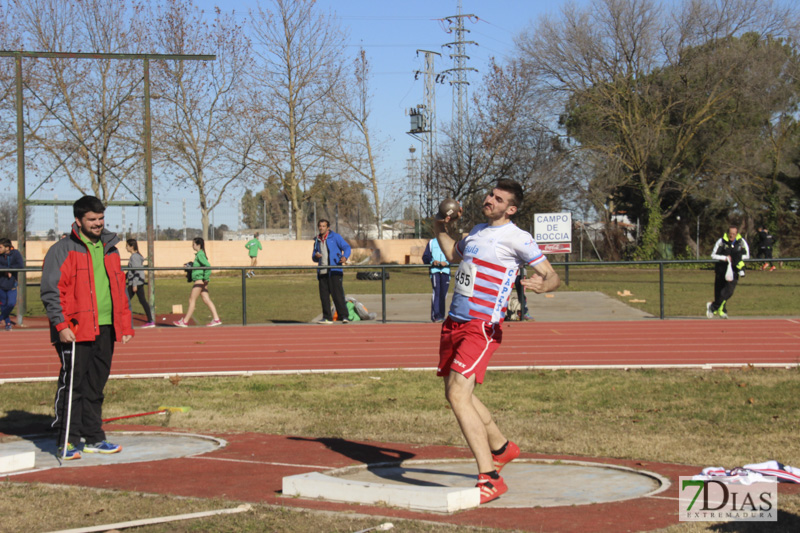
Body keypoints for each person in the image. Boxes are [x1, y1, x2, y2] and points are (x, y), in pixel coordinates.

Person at [433, 179, 561, 504]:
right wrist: (439, 226)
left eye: (498, 198)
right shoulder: (476, 231)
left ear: (511, 209)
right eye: (491, 194)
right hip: (455, 323)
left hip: (482, 327)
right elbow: (451, 251)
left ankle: (490, 478)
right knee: (457, 393)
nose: (490, 199)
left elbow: (551, 274)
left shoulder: (518, 238)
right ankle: (503, 447)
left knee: (458, 396)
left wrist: (545, 286)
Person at [40, 195, 134, 460]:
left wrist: (124, 326)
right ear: (78, 220)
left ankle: (93, 438)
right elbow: (51, 291)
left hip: (105, 328)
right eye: (92, 219)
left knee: (95, 385)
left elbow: (118, 290)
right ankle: (66, 440)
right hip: (75, 329)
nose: (98, 224)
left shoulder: (111, 249)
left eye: (101, 218)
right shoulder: (62, 250)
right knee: (73, 385)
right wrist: (60, 325)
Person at [174, 238, 222, 327]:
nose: (192, 246)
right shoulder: (199, 255)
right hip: (200, 280)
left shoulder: (200, 254)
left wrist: (206, 279)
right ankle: (216, 319)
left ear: (198, 244)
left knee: (192, 300)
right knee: (206, 299)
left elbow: (208, 266)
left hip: (200, 280)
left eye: (193, 244)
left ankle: (185, 321)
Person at [706, 224, 750, 319]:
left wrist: (735, 258)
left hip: (733, 270)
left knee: (729, 291)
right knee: (719, 292)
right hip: (721, 270)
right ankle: (722, 310)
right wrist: (725, 258)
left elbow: (747, 255)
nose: (732, 236)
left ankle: (713, 307)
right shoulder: (721, 241)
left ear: (737, 233)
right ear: (727, 233)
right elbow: (713, 255)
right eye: (730, 233)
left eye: (734, 234)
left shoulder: (741, 242)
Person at [312, 219, 351, 324]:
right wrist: (316, 256)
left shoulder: (336, 237)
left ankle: (344, 316)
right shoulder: (317, 240)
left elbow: (347, 247)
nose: (321, 228)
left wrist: (345, 257)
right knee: (324, 296)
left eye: (323, 226)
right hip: (322, 271)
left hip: (334, 271)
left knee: (337, 295)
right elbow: (314, 256)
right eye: (320, 226)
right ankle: (327, 317)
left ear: (328, 228)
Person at [125, 239, 155, 328]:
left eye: (127, 246)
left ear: (132, 246)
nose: (126, 247)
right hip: (136, 282)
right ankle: (150, 320)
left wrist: (134, 284)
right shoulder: (136, 256)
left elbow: (137, 271)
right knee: (142, 301)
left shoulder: (134, 257)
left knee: (124, 300)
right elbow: (131, 271)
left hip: (136, 283)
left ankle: (150, 320)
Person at [422, 237, 450, 322]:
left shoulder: (449, 242)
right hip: (435, 271)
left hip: (445, 271)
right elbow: (425, 257)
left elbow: (454, 257)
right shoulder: (431, 242)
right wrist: (432, 262)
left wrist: (447, 262)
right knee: (436, 292)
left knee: (443, 294)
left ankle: (442, 315)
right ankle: (436, 315)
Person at [0, 238, 24, 331]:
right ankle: (8, 323)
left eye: (0, 247)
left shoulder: (16, 254)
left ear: (7, 247)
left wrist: (10, 270)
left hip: (12, 284)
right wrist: (5, 270)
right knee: (3, 304)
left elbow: (20, 265)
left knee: (11, 303)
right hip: (1, 284)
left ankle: (1, 317)